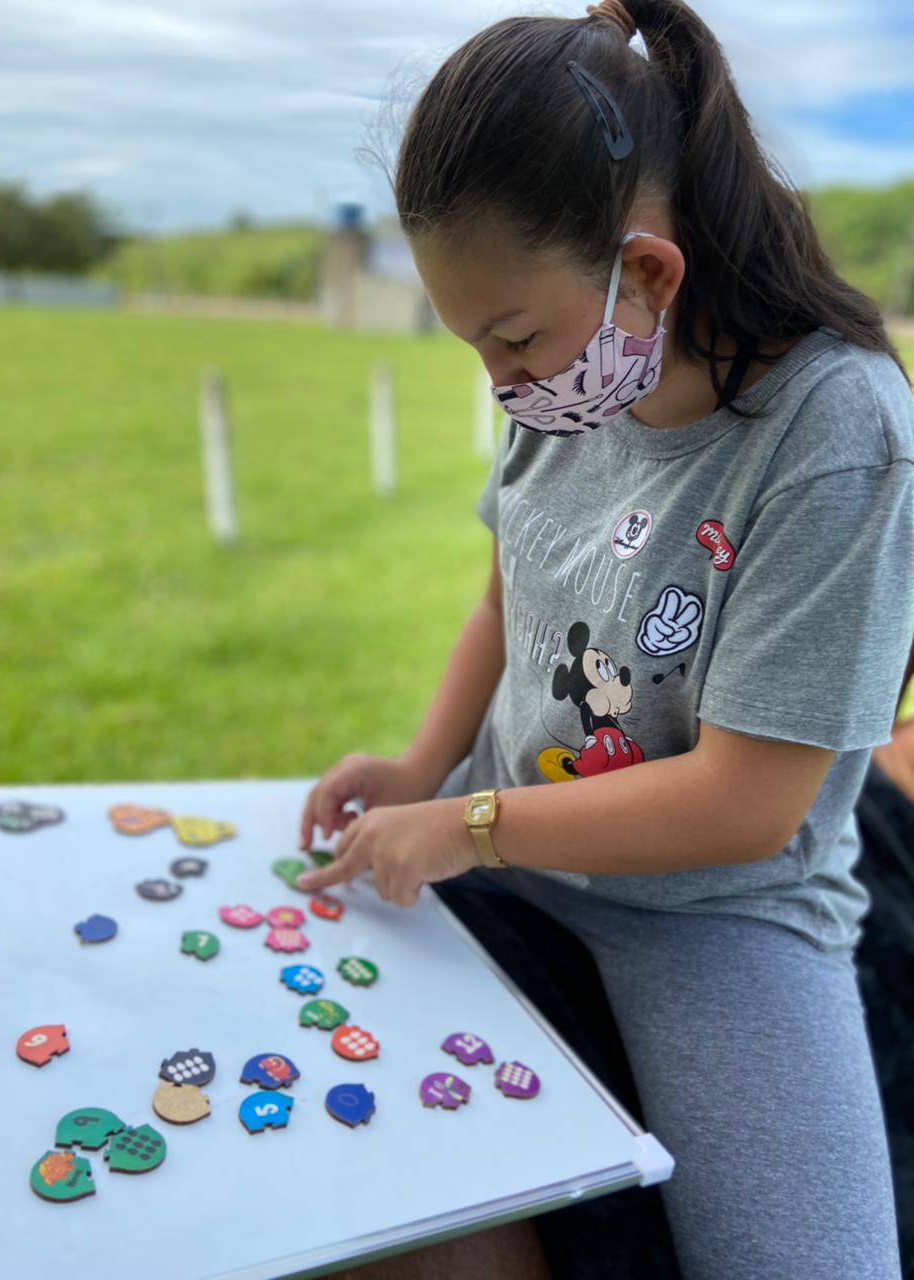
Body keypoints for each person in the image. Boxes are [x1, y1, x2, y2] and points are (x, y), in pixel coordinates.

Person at [296, 1, 914, 1276]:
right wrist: (424, 772)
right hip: (505, 850)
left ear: (647, 272)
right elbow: (501, 605)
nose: (500, 383)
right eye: (472, 342)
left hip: (712, 912)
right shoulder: (563, 372)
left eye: (512, 337)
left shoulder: (837, 428)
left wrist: (465, 826)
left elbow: (747, 803)